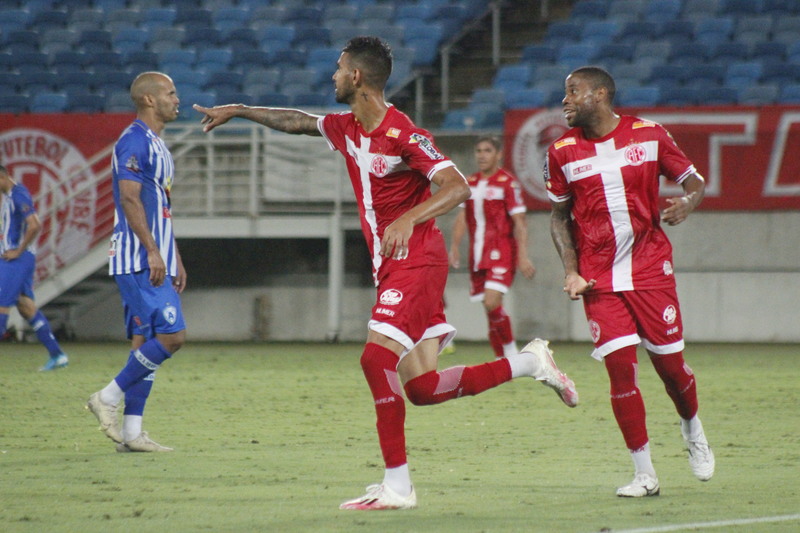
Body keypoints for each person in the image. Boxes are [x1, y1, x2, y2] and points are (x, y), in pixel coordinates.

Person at [194, 37, 578, 510]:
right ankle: (530, 363)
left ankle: (398, 487)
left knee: (375, 361)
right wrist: (240, 109)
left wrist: (408, 217)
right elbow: (295, 121)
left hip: (417, 259)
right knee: (421, 388)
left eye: (338, 69)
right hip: (393, 264)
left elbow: (455, 187)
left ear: (356, 77)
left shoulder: (404, 135)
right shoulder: (346, 127)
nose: (332, 76)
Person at [546, 66, 714, 497]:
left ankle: (692, 427)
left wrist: (687, 203)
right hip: (599, 279)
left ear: (600, 94)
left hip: (650, 271)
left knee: (672, 370)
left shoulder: (649, 134)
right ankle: (645, 474)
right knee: (621, 374)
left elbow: (693, 181)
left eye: (572, 92)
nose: (564, 100)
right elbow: (559, 216)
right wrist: (570, 269)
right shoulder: (561, 151)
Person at [86, 72, 187, 453]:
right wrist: (151, 249)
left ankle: (131, 434)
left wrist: (173, 254)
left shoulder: (158, 145)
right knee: (172, 337)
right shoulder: (132, 140)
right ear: (148, 99)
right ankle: (107, 398)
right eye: (170, 93)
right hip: (138, 259)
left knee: (144, 341)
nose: (177, 99)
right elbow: (128, 198)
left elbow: (161, 207)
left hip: (156, 257)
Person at [449, 136, 536, 359]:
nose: (481, 155)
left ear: (498, 154)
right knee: (489, 308)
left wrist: (523, 256)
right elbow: (461, 217)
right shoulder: (469, 182)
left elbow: (520, 222)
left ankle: (511, 353)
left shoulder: (508, 183)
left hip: (502, 250)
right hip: (477, 254)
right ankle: (501, 359)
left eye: (487, 150)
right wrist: (455, 246)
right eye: (478, 150)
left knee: (491, 301)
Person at [0, 165, 69, 371]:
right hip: (16, 259)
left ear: (2, 177)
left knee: (2, 306)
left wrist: (18, 251)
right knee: (26, 307)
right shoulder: (10, 196)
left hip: (16, 260)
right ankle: (57, 355)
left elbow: (35, 224)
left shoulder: (19, 194)